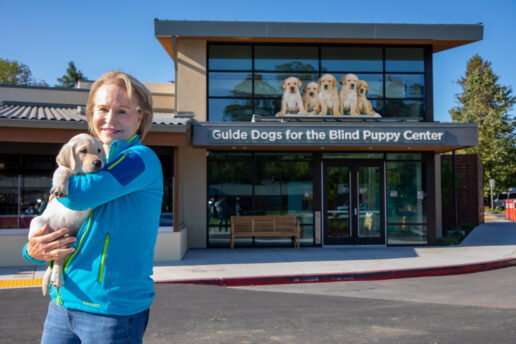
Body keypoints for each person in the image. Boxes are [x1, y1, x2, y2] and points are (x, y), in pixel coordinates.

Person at [22, 70, 163, 343]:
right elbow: (55, 215)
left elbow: (76, 197)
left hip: (111, 311)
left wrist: (65, 176)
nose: (110, 119)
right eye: (102, 109)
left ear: (140, 117)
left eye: (122, 111)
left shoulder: (139, 159)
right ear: (91, 114)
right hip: (63, 300)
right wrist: (32, 249)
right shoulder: (93, 160)